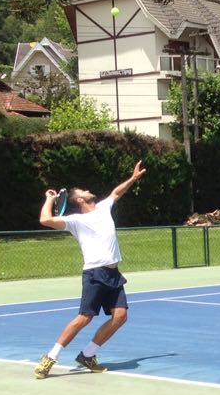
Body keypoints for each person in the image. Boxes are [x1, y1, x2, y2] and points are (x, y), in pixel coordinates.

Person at [33, 161, 146, 379]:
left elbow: (116, 192)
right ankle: (50, 357)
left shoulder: (104, 207)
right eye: (83, 190)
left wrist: (133, 179)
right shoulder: (75, 220)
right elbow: (44, 219)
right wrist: (49, 199)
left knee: (120, 316)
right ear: (79, 200)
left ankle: (88, 354)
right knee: (84, 318)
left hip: (113, 274)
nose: (88, 190)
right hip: (95, 274)